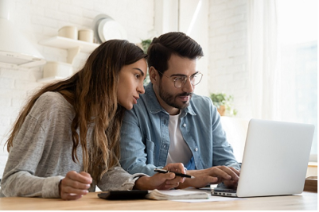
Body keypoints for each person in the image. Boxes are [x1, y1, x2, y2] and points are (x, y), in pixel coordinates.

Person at [0, 40, 186, 200]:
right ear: (110, 71)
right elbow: (10, 181)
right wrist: (58, 186)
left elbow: (106, 172)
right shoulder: (52, 105)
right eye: (137, 76)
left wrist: (145, 182)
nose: (142, 89)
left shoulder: (105, 119)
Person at [120, 32, 241, 189]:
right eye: (179, 79)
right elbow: (132, 168)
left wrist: (233, 175)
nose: (189, 87)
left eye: (193, 77)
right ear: (155, 76)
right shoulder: (133, 107)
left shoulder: (205, 108)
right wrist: (192, 177)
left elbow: (226, 159)